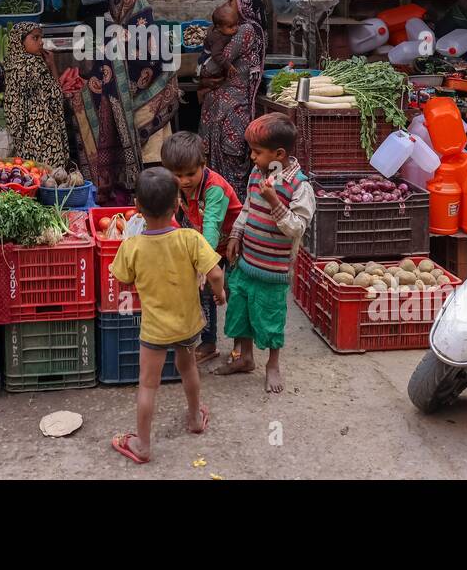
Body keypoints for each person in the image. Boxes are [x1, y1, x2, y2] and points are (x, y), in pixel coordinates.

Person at [109, 167, 225, 465]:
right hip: (187, 325)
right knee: (188, 370)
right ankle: (195, 418)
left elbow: (122, 280)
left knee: (148, 384)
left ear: (136, 208)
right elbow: (215, 273)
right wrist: (220, 294)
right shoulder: (190, 238)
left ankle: (143, 445)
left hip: (154, 331)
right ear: (177, 205)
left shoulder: (132, 246)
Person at [213, 113, 316, 394]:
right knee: (240, 312)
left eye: (257, 152)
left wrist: (273, 201)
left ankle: (272, 364)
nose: (251, 157)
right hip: (246, 262)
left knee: (270, 317)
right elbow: (247, 207)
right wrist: (236, 234)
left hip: (273, 271)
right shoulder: (259, 174)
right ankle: (245, 357)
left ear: (279, 154)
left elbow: (295, 228)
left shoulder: (300, 187)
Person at [69, 0, 181, 205]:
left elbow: (101, 80)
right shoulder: (162, 35)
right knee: (157, 169)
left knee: (137, 178)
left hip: (130, 121)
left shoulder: (114, 41)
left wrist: (78, 98)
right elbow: (170, 77)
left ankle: (134, 208)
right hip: (156, 119)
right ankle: (161, 210)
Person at [160, 132, 243, 366]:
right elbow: (172, 216)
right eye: (177, 175)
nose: (184, 181)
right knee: (204, 292)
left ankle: (240, 344)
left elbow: (212, 225)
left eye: (190, 174)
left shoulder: (214, 188)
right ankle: (209, 343)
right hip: (208, 244)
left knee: (235, 294)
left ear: (203, 165)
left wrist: (203, 263)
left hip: (235, 244)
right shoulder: (175, 185)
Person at [196, 0, 267, 200]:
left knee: (229, 170)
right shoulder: (253, 29)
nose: (227, 4)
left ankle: (230, 224)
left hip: (231, 112)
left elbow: (213, 66)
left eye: (230, 0)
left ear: (244, 3)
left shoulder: (245, 30)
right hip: (228, 109)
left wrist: (202, 73)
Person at [3, 22, 70, 168]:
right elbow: (57, 94)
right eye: (35, 38)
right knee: (48, 176)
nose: (41, 42)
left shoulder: (13, 63)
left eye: (41, 37)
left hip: (33, 137)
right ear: (19, 40)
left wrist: (50, 64)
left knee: (34, 175)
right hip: (41, 136)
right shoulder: (29, 67)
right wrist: (51, 66)